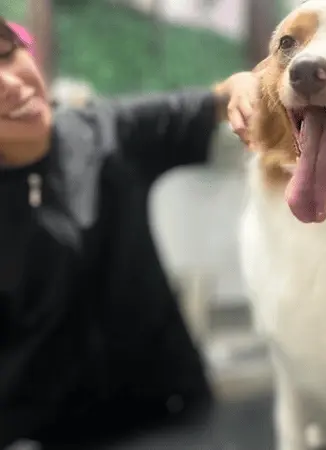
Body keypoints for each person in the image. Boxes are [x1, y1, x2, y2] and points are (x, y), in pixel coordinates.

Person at [0, 18, 256, 447]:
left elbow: (221, 96)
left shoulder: (103, 130)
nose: (10, 82)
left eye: (8, 55)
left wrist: (247, 89)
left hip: (171, 413)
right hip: (40, 436)